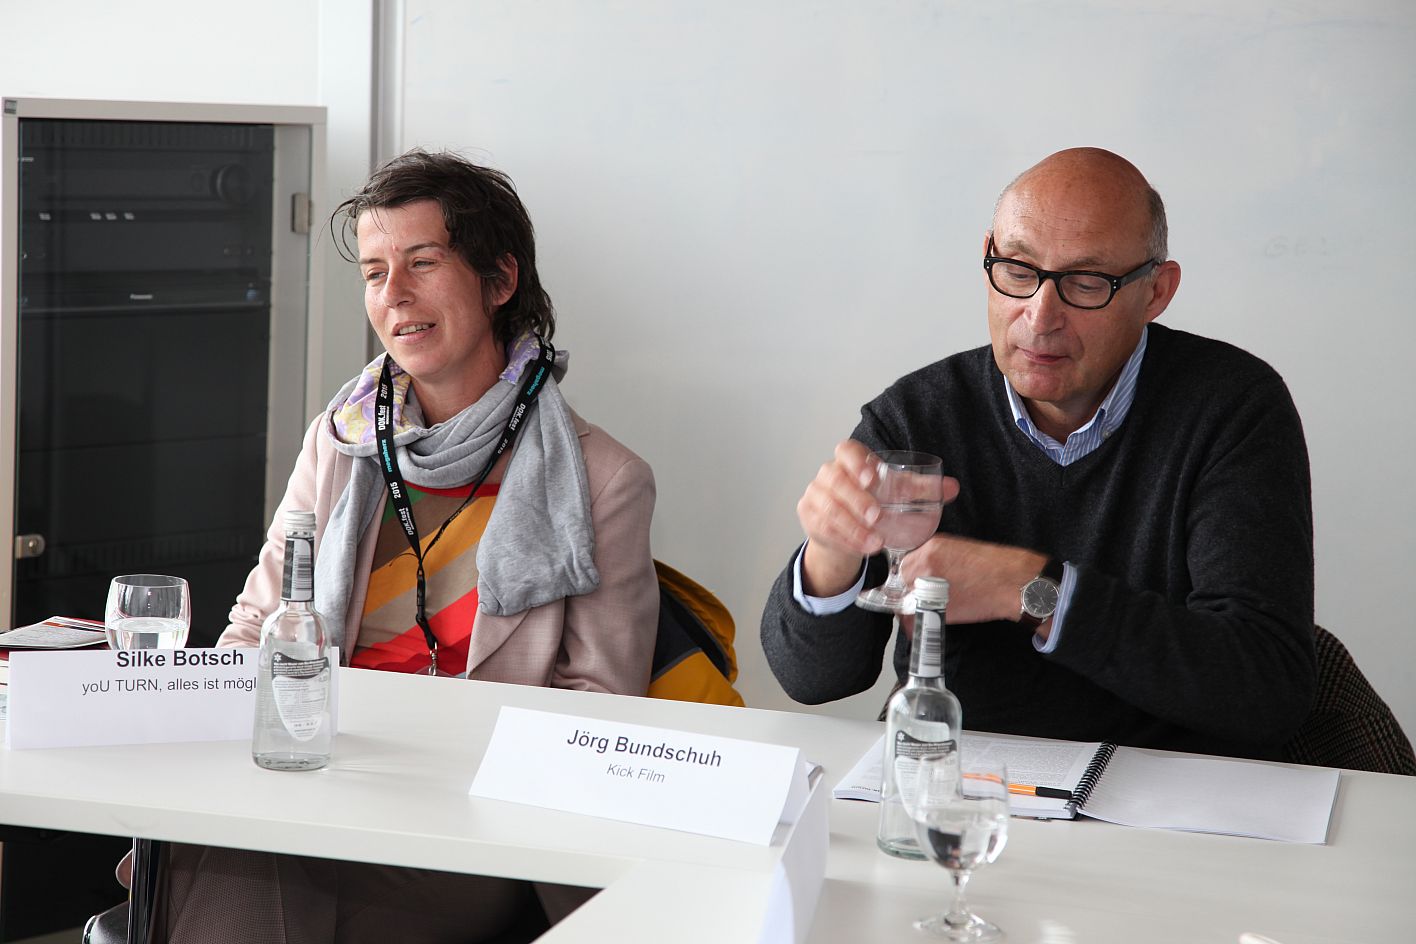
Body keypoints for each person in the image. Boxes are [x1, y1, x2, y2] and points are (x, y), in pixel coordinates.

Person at [142, 149, 659, 942]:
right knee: (238, 843)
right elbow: (256, 627)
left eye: (422, 263)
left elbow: (597, 715)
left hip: (472, 832)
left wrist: (411, 773)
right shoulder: (342, 440)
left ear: (500, 280)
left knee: (243, 863)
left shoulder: (603, 479)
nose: (395, 296)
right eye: (376, 273)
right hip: (316, 783)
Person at [761, 147, 1316, 761]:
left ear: (1156, 292)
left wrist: (1030, 588)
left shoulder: (1232, 408)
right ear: (987, 259)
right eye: (1019, 270)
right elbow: (813, 680)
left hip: (1175, 789)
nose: (1041, 315)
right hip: (961, 779)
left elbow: (1267, 688)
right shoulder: (918, 416)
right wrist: (831, 554)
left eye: (1086, 282)